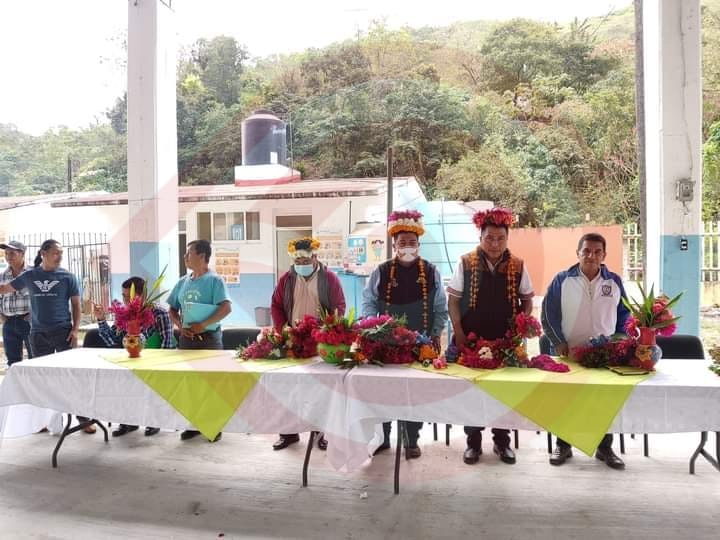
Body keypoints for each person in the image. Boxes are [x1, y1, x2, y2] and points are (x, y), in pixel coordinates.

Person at [447, 208, 534, 465]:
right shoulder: (465, 262)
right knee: (471, 392)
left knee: (503, 393)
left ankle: (502, 442)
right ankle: (472, 443)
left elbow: (527, 300)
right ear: (480, 238)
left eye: (500, 238)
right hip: (471, 339)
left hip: (505, 341)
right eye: (489, 238)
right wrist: (459, 333)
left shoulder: (518, 265)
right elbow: (453, 301)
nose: (495, 244)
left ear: (507, 239)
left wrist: (520, 328)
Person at [361, 210, 448, 459]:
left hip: (420, 343)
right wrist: (373, 328)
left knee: (414, 394)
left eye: (412, 242)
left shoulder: (431, 271)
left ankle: (411, 440)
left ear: (418, 245)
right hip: (386, 343)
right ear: (394, 246)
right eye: (402, 243)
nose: (407, 247)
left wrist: (434, 335)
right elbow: (368, 302)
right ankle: (384, 438)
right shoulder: (381, 271)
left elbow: (440, 308)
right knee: (384, 392)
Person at [541, 232, 630, 469]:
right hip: (569, 353)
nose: (591, 256)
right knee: (565, 400)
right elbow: (548, 314)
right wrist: (558, 341)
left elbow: (625, 315)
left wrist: (620, 341)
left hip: (604, 354)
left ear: (604, 255)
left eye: (597, 251)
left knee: (604, 400)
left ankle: (605, 447)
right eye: (586, 251)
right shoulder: (562, 280)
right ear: (578, 253)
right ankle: (563, 445)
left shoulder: (614, 281)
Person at [0, 239, 95, 434]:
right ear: (43, 254)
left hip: (63, 332)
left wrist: (75, 329)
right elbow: (4, 289)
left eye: (61, 253)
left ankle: (83, 418)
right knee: (43, 379)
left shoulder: (68, 277)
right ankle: (46, 421)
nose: (59, 256)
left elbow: (76, 305)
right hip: (38, 335)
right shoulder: (30, 276)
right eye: (55, 253)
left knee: (72, 376)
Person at [270, 236, 346, 451]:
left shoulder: (329, 279)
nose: (301, 265)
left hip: (321, 342)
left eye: (305, 261)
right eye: (297, 261)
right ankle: (288, 433)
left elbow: (339, 306)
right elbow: (276, 306)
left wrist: (328, 330)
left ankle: (321, 433)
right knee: (288, 389)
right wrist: (283, 329)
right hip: (293, 340)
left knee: (320, 390)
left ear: (315, 257)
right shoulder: (286, 280)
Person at [93, 275, 175, 437]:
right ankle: (128, 421)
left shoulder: (159, 313)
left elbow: (167, 344)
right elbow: (112, 340)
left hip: (155, 362)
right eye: (123, 296)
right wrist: (101, 319)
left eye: (127, 296)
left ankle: (154, 420)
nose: (124, 300)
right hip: (131, 360)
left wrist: (162, 368)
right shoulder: (125, 314)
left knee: (151, 384)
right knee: (122, 382)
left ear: (141, 296)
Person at [167, 240, 232, 442]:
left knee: (211, 384)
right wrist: (180, 326)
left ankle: (214, 426)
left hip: (209, 340)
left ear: (202, 256)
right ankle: (194, 424)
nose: (185, 257)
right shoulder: (182, 282)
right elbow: (172, 309)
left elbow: (226, 308)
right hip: (187, 341)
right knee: (190, 384)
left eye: (189, 253)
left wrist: (203, 324)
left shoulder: (215, 281)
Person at [0, 241, 32, 367]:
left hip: (29, 322)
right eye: (6, 253)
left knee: (35, 357)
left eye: (12, 253)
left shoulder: (33, 273)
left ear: (22, 254)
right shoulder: (2, 276)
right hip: (8, 323)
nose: (8, 257)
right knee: (13, 362)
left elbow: (40, 298)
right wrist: (2, 316)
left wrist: (33, 315)